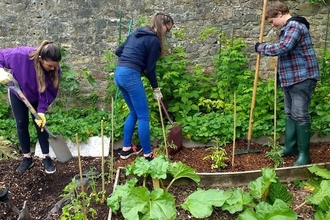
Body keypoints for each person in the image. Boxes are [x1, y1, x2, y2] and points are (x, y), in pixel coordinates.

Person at [255, 1, 320, 166]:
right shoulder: (288, 27)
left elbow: (283, 47)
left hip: (302, 77)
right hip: (290, 78)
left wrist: (261, 48)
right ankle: (291, 148)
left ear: (278, 13)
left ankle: (304, 156)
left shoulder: (295, 26)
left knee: (300, 114)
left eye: (272, 21)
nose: (273, 25)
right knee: (291, 113)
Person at [114, 12, 174, 161]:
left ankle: (126, 149)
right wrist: (156, 88)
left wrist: (134, 59)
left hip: (119, 73)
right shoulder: (154, 41)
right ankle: (148, 154)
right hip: (130, 75)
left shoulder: (136, 33)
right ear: (162, 25)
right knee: (143, 116)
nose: (168, 33)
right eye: (168, 28)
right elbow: (150, 69)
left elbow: (118, 51)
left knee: (134, 112)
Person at [0, 40, 62, 173]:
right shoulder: (20, 55)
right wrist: (1, 72)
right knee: (21, 124)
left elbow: (48, 93)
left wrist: (41, 111)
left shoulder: (55, 70)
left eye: (55, 66)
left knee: (40, 124)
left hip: (38, 97)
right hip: (18, 93)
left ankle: (46, 157)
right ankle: (27, 158)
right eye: (49, 65)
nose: (53, 68)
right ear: (40, 59)